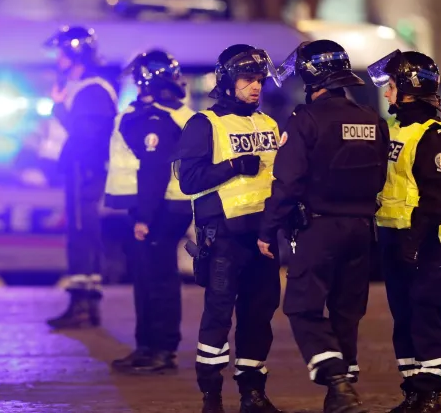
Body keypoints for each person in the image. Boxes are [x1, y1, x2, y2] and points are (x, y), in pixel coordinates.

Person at [257, 40, 389, 413]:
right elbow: (379, 177)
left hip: (318, 230)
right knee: (347, 312)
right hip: (361, 231)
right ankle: (341, 395)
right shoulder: (371, 119)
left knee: (302, 307)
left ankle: (336, 379)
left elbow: (287, 182)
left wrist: (268, 230)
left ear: (310, 78)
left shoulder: (306, 120)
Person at [173, 44, 284, 413]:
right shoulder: (204, 123)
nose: (256, 87)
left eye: (260, 80)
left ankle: (253, 393)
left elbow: (276, 178)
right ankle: (211, 396)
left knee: (259, 315)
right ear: (227, 81)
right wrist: (235, 166)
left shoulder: (268, 123)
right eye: (248, 79)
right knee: (218, 316)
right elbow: (188, 180)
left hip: (263, 237)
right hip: (222, 237)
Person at [367, 50, 441, 413]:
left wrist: (414, 238)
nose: (387, 94)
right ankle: (412, 391)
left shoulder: (433, 136)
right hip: (393, 238)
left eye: (392, 87)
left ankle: (431, 395)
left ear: (409, 90)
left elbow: (438, 201)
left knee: (425, 317)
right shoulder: (395, 131)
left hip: (420, 242)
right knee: (403, 319)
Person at [105, 49, 195, 374]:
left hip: (160, 208)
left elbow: (154, 168)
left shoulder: (157, 117)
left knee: (158, 279)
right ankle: (147, 346)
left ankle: (162, 349)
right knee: (146, 277)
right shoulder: (167, 112)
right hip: (162, 205)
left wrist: (144, 216)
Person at [43, 26, 118, 329]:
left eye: (61, 52)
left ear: (75, 53)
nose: (57, 59)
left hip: (84, 172)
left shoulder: (93, 89)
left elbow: (86, 135)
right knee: (81, 235)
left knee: (81, 236)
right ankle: (84, 305)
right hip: (80, 172)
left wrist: (59, 107)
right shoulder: (81, 87)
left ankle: (83, 307)